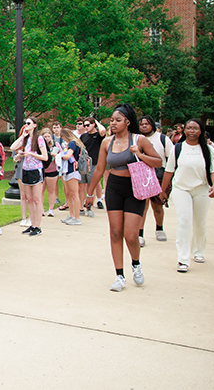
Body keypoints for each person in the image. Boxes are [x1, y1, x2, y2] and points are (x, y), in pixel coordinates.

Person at [85, 104, 162, 292]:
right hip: (114, 188)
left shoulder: (139, 140)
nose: (113, 123)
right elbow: (100, 169)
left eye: (118, 120)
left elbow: (158, 161)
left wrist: (140, 154)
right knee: (115, 232)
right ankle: (119, 275)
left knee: (131, 235)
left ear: (127, 122)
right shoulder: (107, 142)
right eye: (111, 120)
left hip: (135, 188)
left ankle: (136, 263)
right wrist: (89, 193)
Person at [160, 119, 214, 273]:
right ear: (184, 130)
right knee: (184, 222)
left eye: (195, 128)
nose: (191, 131)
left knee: (199, 222)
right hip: (181, 189)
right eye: (189, 128)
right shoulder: (178, 148)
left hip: (201, 189)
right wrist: (163, 190)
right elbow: (169, 170)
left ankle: (198, 251)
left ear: (201, 131)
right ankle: (183, 259)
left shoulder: (208, 149)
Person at [138, 115, 173, 245]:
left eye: (147, 124)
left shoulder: (162, 139)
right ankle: (140, 233)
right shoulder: (136, 139)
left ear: (152, 125)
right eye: (141, 124)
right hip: (141, 175)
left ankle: (159, 228)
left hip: (158, 174)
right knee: (143, 206)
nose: (144, 126)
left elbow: (171, 157)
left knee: (157, 206)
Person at [10, 118, 48, 236]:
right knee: (29, 199)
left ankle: (38, 226)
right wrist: (22, 136)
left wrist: (30, 154)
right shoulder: (26, 139)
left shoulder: (39, 138)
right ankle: (32, 224)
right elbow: (12, 147)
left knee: (37, 199)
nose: (26, 125)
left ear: (35, 125)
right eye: (25, 123)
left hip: (35, 170)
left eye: (28, 123)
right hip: (26, 170)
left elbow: (45, 157)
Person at [79, 117, 107, 216]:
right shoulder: (83, 136)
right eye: (84, 125)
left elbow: (103, 130)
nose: (86, 127)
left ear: (93, 124)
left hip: (94, 163)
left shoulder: (98, 135)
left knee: (91, 186)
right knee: (81, 186)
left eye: (88, 125)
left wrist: (96, 121)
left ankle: (89, 207)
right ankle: (81, 207)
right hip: (83, 164)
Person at [58, 128, 84, 226]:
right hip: (69, 170)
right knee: (70, 194)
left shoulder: (72, 143)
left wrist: (59, 155)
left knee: (74, 194)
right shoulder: (73, 143)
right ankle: (72, 215)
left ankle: (76, 217)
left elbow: (68, 156)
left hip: (73, 170)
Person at [41, 127, 61, 218]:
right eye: (45, 136)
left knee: (51, 190)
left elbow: (62, 154)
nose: (47, 138)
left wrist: (55, 154)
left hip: (52, 170)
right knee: (41, 190)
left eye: (48, 136)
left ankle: (51, 209)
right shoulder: (40, 146)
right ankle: (41, 209)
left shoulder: (56, 145)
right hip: (42, 170)